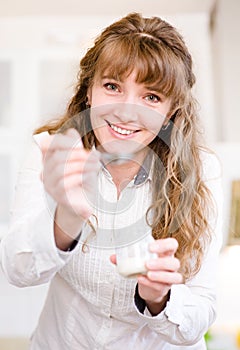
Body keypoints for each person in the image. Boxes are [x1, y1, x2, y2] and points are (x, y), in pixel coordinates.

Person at [0, 12, 222, 349]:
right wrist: (67, 219)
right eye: (112, 87)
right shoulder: (52, 150)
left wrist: (158, 298)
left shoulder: (202, 170)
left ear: (171, 111)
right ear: (89, 90)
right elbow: (18, 270)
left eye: (152, 97)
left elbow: (199, 314)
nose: (127, 112)